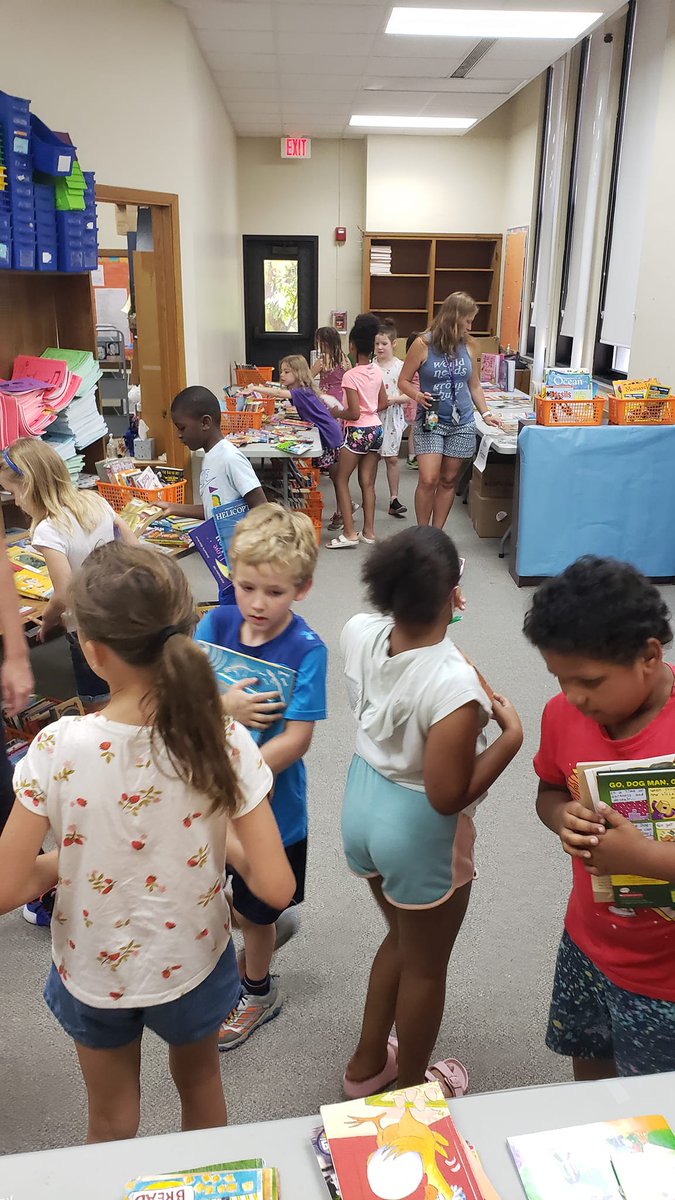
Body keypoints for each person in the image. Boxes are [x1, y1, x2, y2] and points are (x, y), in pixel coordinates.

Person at [0, 541, 295, 1143]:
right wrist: (224, 842)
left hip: (92, 964)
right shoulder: (225, 738)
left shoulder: (55, 747)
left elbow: (8, 886)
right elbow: (276, 886)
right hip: (192, 956)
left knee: (109, 1118)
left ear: (93, 650)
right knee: (201, 1089)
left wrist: (78, 856)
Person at [340, 527, 523, 1096]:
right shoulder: (454, 687)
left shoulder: (359, 630)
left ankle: (367, 1064)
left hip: (363, 801)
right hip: (418, 828)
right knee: (425, 965)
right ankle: (413, 1091)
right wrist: (511, 737)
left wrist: (443, 618)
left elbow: (432, 653)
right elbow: (450, 794)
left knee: (400, 939)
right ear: (455, 595)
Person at [524, 555, 675, 1081]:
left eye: (589, 680)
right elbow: (547, 789)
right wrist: (561, 814)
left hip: (666, 978)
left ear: (649, 656)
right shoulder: (563, 714)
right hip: (588, 942)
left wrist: (643, 857)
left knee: (651, 1111)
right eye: (560, 678)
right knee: (589, 1079)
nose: (573, 696)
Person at [196, 503, 327, 1049]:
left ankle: (257, 989)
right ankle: (262, 929)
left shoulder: (305, 649)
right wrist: (223, 704)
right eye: (246, 586)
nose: (256, 603)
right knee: (208, 892)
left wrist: (240, 778)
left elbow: (295, 740)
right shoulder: (215, 622)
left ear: (302, 588)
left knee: (256, 902)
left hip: (270, 813)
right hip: (204, 804)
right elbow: (184, 700)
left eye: (274, 592)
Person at [0, 439, 138, 709]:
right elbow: (134, 547)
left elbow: (64, 592)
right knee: (129, 688)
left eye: (13, 493)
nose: (16, 502)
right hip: (123, 614)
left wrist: (49, 619)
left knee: (97, 702)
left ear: (29, 485)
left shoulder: (47, 530)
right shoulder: (94, 500)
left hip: (87, 627)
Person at [398, 293, 501, 528]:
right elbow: (403, 380)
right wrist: (416, 395)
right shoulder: (423, 344)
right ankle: (423, 532)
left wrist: (485, 413)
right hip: (432, 419)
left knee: (448, 480)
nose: (470, 326)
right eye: (468, 321)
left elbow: (473, 384)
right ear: (454, 318)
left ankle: (437, 534)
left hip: (462, 422)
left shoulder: (468, 346)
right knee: (428, 478)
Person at [245, 355, 344, 522]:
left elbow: (277, 392)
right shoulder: (303, 390)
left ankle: (344, 511)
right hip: (328, 431)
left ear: (298, 373)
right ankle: (344, 509)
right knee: (337, 478)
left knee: (338, 478)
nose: (281, 375)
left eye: (286, 371)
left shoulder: (300, 392)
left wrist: (255, 387)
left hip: (329, 434)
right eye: (281, 371)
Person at [157, 386, 267, 521]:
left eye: (182, 428)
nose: (179, 435)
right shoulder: (210, 457)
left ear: (205, 423)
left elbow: (262, 508)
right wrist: (171, 507)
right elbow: (213, 511)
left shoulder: (230, 458)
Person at [327, 313, 387, 549]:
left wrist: (335, 413)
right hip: (376, 429)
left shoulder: (350, 376)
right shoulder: (377, 371)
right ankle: (369, 532)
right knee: (368, 482)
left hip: (358, 432)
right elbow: (383, 402)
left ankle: (350, 533)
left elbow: (352, 413)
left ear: (352, 346)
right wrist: (369, 408)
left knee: (341, 478)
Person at [374, 320, 408, 519]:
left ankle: (394, 499)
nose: (380, 347)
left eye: (384, 343)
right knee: (370, 459)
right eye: (377, 343)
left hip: (392, 416)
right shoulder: (371, 367)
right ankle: (369, 495)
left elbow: (409, 394)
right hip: (374, 416)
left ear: (393, 344)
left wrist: (391, 400)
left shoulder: (401, 367)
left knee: (392, 458)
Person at [404, 331, 421, 470]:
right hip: (414, 400)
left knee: (415, 428)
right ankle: (412, 456)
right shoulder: (413, 364)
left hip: (416, 399)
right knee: (414, 429)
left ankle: (414, 455)